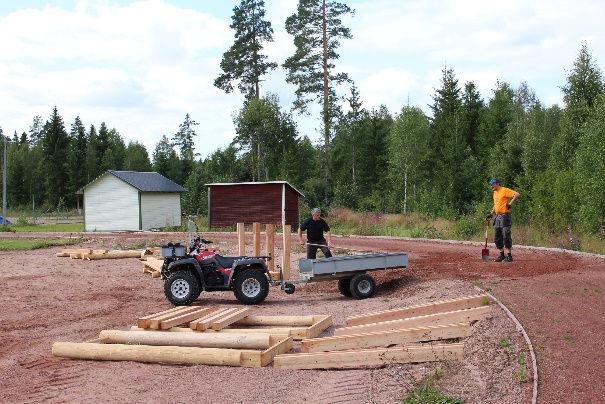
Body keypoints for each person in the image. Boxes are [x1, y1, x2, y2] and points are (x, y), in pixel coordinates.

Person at [486, 179, 520, 262]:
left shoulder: (504, 190)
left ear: (497, 184)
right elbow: (496, 204)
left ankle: (509, 256)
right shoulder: (495, 193)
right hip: (498, 216)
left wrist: (510, 204)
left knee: (506, 235)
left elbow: (517, 194)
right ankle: (502, 255)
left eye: (492, 184)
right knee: (497, 237)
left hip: (505, 216)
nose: (491, 186)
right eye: (490, 185)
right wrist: (491, 214)